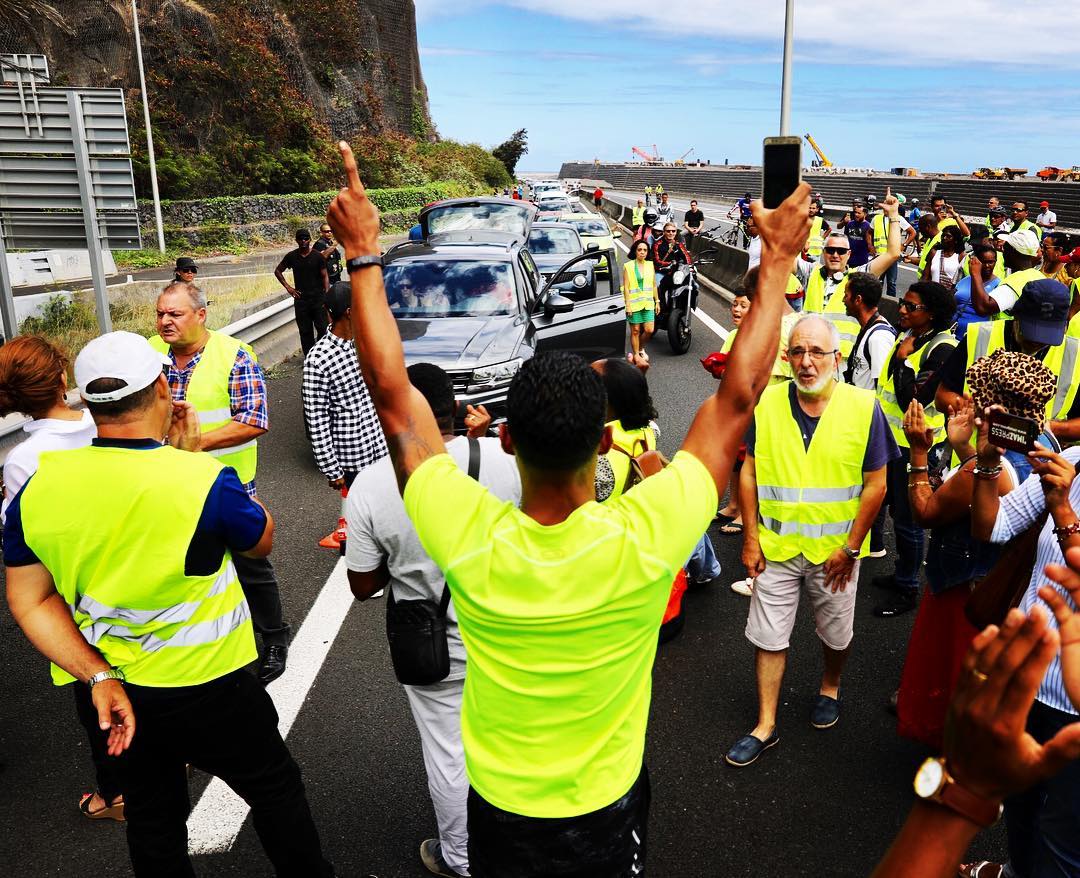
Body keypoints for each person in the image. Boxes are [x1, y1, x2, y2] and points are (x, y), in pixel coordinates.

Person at [326, 138, 812, 876]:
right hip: (607, 803)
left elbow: (395, 397)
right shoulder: (648, 532)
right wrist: (776, 260)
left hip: (502, 806)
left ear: (508, 440)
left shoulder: (469, 531)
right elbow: (738, 398)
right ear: (606, 440)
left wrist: (365, 255)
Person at [2, 331, 335, 877]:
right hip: (210, 684)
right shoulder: (203, 479)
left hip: (114, 689)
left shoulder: (38, 487)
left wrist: (96, 676)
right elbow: (261, 540)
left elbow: (29, 600)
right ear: (161, 387)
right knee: (274, 789)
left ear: (87, 400)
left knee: (153, 818)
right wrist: (189, 457)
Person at [345, 363, 520, 878]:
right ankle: (524, 843)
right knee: (514, 742)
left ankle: (461, 859)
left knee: (449, 754)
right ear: (454, 407)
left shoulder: (372, 484)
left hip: (433, 646)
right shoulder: (507, 460)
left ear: (391, 414)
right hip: (513, 635)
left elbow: (362, 585)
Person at [726, 313, 896, 767]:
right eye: (798, 351)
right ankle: (765, 725)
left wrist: (852, 548)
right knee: (768, 637)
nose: (806, 362)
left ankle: (830, 686)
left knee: (836, 635)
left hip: (836, 554)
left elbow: (876, 484)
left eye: (817, 352)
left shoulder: (864, 407)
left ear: (837, 359)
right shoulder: (767, 404)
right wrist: (750, 538)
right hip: (776, 548)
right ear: (787, 357)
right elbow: (750, 472)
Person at [896, 354, 1056, 751]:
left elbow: (926, 512)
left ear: (989, 404)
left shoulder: (980, 471)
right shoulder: (1048, 447)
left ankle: (957, 759)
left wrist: (919, 453)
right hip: (1004, 588)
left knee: (955, 678)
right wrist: (963, 445)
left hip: (964, 591)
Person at [871, 601, 1080, 878]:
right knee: (1021, 808)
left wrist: (965, 786)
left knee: (1064, 836)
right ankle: (1016, 870)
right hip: (1028, 663)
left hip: (1055, 684)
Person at [151, 281, 291, 684]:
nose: (165, 321)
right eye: (160, 313)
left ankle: (274, 636)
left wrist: (195, 444)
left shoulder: (234, 355)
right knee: (183, 564)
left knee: (250, 563)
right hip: (166, 484)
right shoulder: (149, 354)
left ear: (201, 315)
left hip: (224, 484)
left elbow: (254, 420)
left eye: (175, 314)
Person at [966, 405, 1080, 877]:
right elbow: (992, 526)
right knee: (1020, 799)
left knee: (1064, 840)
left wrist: (1064, 510)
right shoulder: (1073, 460)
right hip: (1026, 681)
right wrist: (987, 462)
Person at [0, 336, 112, 819]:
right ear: (63, 378)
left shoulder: (24, 459)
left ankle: (114, 793)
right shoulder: (103, 422)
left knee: (96, 689)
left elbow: (25, 537)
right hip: (130, 567)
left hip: (75, 588)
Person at [592, 356, 722, 586]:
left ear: (605, 401)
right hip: (652, 516)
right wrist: (638, 378)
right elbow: (641, 409)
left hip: (617, 544)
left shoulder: (597, 456)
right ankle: (706, 570)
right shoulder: (647, 430)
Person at [873, 282, 958, 618]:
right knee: (896, 512)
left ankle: (908, 587)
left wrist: (903, 360)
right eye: (903, 303)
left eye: (911, 306)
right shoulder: (910, 336)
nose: (902, 310)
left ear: (932, 313)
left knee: (909, 520)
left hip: (915, 447)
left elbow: (915, 398)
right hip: (890, 440)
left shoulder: (942, 349)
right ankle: (900, 573)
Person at [936, 279, 1080, 451]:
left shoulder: (1075, 354)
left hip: (1036, 464)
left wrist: (1048, 428)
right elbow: (942, 397)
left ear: (1064, 326)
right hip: (972, 456)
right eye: (1030, 332)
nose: (1037, 342)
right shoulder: (979, 336)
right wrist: (981, 413)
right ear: (1016, 315)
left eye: (1046, 336)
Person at [301, 281, 388, 489]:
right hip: (353, 460)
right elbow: (317, 419)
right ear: (350, 312)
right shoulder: (318, 359)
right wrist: (331, 468)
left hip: (381, 450)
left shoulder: (365, 343)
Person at [798, 191, 902, 316]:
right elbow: (780, 254)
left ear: (848, 254)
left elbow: (893, 254)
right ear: (824, 252)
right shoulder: (810, 272)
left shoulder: (858, 278)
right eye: (830, 250)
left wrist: (893, 215)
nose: (835, 255)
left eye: (841, 251)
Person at [959, 229, 1046, 319]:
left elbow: (983, 308)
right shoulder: (1037, 275)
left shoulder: (1018, 280)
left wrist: (976, 274)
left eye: (1006, 246)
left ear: (1012, 250)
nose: (1003, 250)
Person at [275, 228, 330, 355]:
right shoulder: (291, 256)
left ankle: (322, 355)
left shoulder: (318, 256)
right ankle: (309, 358)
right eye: (300, 239)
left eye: (306, 238)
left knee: (323, 328)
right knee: (305, 332)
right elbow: (278, 271)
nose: (303, 241)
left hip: (318, 299)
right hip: (301, 301)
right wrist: (288, 288)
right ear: (296, 240)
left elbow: (325, 276)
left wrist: (326, 295)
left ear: (310, 240)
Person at [954, 243, 1003, 341]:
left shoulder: (999, 285)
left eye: (991, 262)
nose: (987, 266)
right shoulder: (965, 280)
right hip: (955, 332)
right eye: (983, 262)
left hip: (977, 336)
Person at [623, 239, 660, 363]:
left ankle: (640, 348)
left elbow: (654, 285)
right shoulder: (628, 266)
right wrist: (628, 305)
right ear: (635, 251)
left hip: (648, 303)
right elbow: (626, 287)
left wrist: (657, 301)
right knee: (635, 331)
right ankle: (636, 354)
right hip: (634, 304)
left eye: (645, 250)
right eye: (639, 250)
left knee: (649, 330)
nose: (642, 252)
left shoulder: (650, 265)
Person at [922, 224, 966, 290]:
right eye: (943, 235)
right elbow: (925, 276)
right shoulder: (934, 253)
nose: (944, 238)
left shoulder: (960, 256)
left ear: (956, 240)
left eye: (948, 236)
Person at [844, 201, 872, 268]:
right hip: (850, 258)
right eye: (855, 212)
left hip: (862, 259)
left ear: (865, 214)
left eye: (859, 213)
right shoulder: (850, 224)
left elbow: (870, 243)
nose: (856, 214)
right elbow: (845, 237)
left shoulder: (868, 226)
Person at [806, 197, 831, 262]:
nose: (811, 210)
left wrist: (822, 239)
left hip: (815, 252)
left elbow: (829, 229)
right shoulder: (802, 219)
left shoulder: (820, 220)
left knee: (815, 268)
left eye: (813, 208)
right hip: (803, 251)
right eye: (809, 208)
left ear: (817, 209)